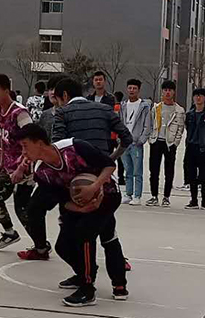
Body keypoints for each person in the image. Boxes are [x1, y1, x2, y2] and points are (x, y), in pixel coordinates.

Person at [16, 123, 126, 307]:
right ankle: (85, 273)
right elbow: (62, 199)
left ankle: (88, 289)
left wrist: (94, 187)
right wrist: (80, 209)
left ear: (40, 143)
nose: (23, 152)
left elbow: (109, 165)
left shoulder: (74, 147)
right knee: (63, 246)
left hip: (107, 194)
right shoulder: (42, 172)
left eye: (25, 146)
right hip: (79, 202)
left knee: (88, 233)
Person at [0, 74, 34, 251]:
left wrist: (22, 167)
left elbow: (32, 142)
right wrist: (0, 160)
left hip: (24, 166)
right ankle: (9, 232)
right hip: (7, 166)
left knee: (22, 208)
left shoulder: (20, 113)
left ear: (7, 90)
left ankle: (41, 243)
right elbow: (3, 137)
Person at [146, 80, 185, 208]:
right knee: (154, 170)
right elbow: (150, 123)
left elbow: (180, 129)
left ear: (174, 92)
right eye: (165, 90)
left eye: (170, 90)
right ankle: (154, 196)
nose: (167, 93)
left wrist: (175, 143)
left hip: (169, 144)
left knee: (169, 171)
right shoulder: (156, 108)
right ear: (162, 92)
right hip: (156, 141)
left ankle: (166, 197)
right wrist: (151, 139)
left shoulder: (179, 110)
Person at [184, 88, 205, 210]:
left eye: (200, 96)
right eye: (196, 96)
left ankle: (204, 201)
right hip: (191, 147)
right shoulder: (189, 114)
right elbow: (188, 129)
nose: (198, 98)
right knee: (191, 175)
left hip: (203, 148)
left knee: (204, 175)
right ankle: (193, 200)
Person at [119, 79, 151, 205]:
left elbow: (147, 125)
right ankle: (128, 193)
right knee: (127, 170)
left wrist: (141, 140)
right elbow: (120, 122)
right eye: (130, 88)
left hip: (136, 143)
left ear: (138, 90)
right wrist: (120, 138)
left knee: (137, 171)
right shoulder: (123, 105)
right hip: (125, 143)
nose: (132, 90)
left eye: (134, 88)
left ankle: (137, 195)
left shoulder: (144, 107)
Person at [113, 90, 126, 186]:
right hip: (119, 136)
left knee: (109, 157)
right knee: (120, 158)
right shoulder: (122, 108)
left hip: (111, 136)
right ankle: (121, 177)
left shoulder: (112, 107)